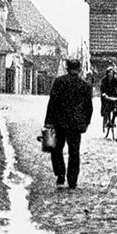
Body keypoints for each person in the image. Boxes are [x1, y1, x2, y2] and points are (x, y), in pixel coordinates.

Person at [44, 59, 93, 189]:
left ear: (67, 68)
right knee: (74, 152)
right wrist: (86, 122)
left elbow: (52, 102)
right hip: (76, 125)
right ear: (79, 69)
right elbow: (89, 107)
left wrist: (48, 122)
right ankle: (72, 180)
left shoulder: (59, 82)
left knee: (57, 149)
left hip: (59, 123)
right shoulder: (85, 85)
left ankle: (60, 174)